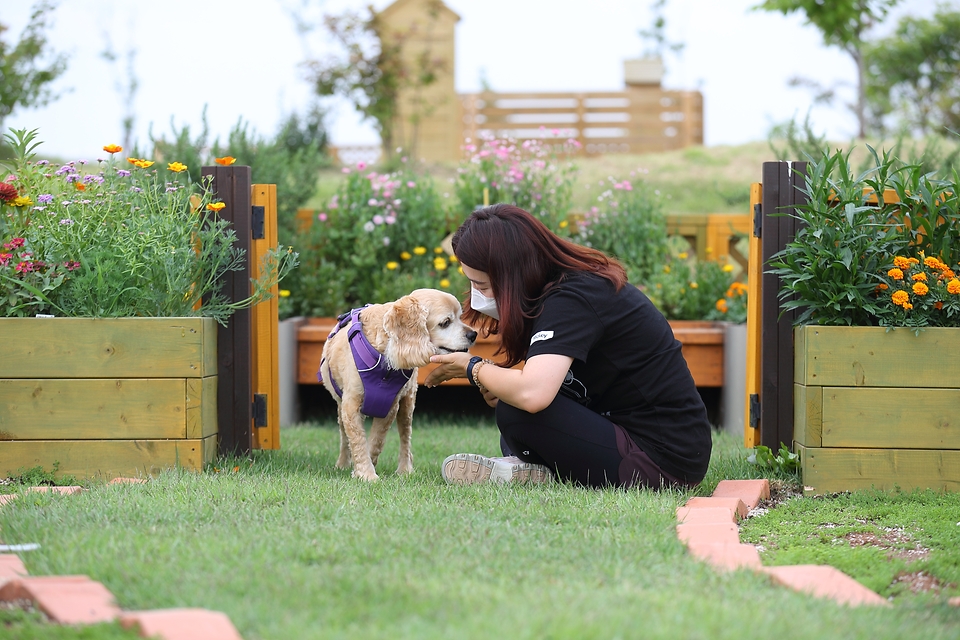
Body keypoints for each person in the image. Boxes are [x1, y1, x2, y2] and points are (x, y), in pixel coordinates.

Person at [424, 204, 713, 489]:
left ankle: (522, 468)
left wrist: (472, 366)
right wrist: (499, 385)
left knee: (520, 412)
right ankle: (528, 470)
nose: (477, 296)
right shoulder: (560, 291)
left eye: (483, 286)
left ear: (511, 274)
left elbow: (533, 394)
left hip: (663, 461)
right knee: (513, 408)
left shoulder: (573, 299)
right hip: (633, 438)